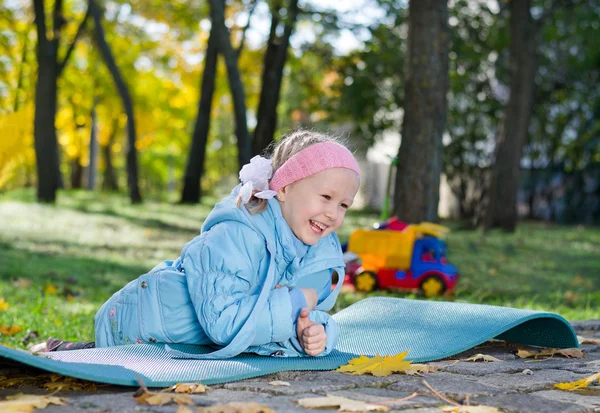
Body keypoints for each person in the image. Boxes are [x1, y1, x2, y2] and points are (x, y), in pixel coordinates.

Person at [44, 130, 361, 358]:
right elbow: (224, 324)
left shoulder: (313, 252)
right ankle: (60, 351)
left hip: (190, 340)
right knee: (91, 358)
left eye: (344, 205)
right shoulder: (237, 236)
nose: (333, 214)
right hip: (138, 327)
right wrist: (293, 304)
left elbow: (294, 317)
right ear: (285, 189)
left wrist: (316, 333)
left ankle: (65, 349)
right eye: (326, 197)